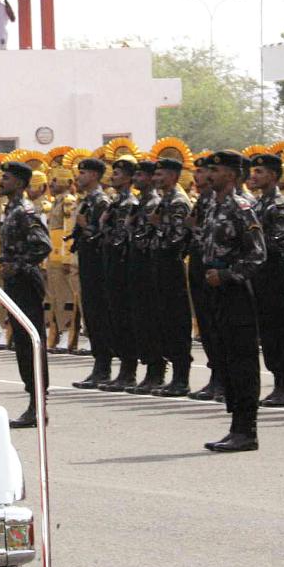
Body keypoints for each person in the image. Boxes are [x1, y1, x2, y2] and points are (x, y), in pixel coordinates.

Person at [201, 151, 266, 453]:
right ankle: (235, 426)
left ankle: (246, 430)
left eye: (215, 170)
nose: (208, 175)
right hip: (216, 290)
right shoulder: (212, 208)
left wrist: (227, 275)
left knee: (242, 361)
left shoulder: (242, 208)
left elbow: (257, 255)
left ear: (231, 174)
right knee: (225, 358)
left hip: (236, 291)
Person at [0, 162, 52, 428]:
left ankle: (38, 404)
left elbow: (43, 245)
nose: (1, 181)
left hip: (25, 282)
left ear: (19, 183)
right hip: (14, 282)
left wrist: (17, 265)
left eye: (6, 178)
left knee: (31, 342)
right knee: (21, 342)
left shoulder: (25, 211)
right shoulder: (10, 209)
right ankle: (33, 403)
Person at [247, 153, 284, 407]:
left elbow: (277, 243)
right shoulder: (258, 204)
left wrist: (249, 246)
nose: (254, 176)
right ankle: (278, 380)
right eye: (253, 171)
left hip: (274, 272)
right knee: (267, 330)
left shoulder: (278, 205)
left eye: (260, 172)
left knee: (280, 328)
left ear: (274, 176)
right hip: (259, 273)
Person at [148, 157, 193, 396]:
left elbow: (177, 237)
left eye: (161, 175)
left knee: (176, 322)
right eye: (155, 175)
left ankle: (181, 377)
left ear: (174, 176)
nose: (156, 179)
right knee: (164, 322)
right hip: (160, 267)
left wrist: (157, 225)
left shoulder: (177, 202)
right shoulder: (165, 200)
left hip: (172, 268)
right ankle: (174, 376)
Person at [69, 157, 114, 388]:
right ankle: (99, 366)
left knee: (99, 315)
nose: (79, 177)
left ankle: (103, 367)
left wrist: (85, 226)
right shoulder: (87, 199)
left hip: (98, 266)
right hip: (86, 263)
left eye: (83, 173)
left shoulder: (101, 201)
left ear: (95, 176)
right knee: (92, 315)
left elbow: (101, 235)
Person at [97, 157, 140, 391]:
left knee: (124, 320)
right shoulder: (115, 202)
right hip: (111, 265)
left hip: (122, 267)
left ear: (129, 178)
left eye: (118, 173)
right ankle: (123, 369)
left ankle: (128, 370)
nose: (113, 176)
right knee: (115, 319)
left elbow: (122, 237)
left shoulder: (129, 203)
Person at [125, 160, 166, 394]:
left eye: (141, 175)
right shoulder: (140, 202)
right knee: (140, 319)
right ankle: (149, 369)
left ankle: (156, 371)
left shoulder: (153, 203)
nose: (136, 179)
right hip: (136, 264)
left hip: (148, 266)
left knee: (151, 320)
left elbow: (151, 236)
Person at [187, 157, 222, 401]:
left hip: (217, 267)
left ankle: (223, 378)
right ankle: (216, 376)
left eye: (204, 171)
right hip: (200, 262)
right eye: (197, 172)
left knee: (219, 325)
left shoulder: (225, 202)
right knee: (207, 324)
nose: (198, 177)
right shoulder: (204, 200)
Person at [45, 167, 77, 353]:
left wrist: (67, 257)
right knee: (56, 298)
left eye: (56, 180)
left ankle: (68, 334)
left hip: (62, 256)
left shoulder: (67, 201)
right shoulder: (55, 202)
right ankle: (61, 333)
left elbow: (68, 229)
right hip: (53, 256)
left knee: (66, 298)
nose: (52, 184)